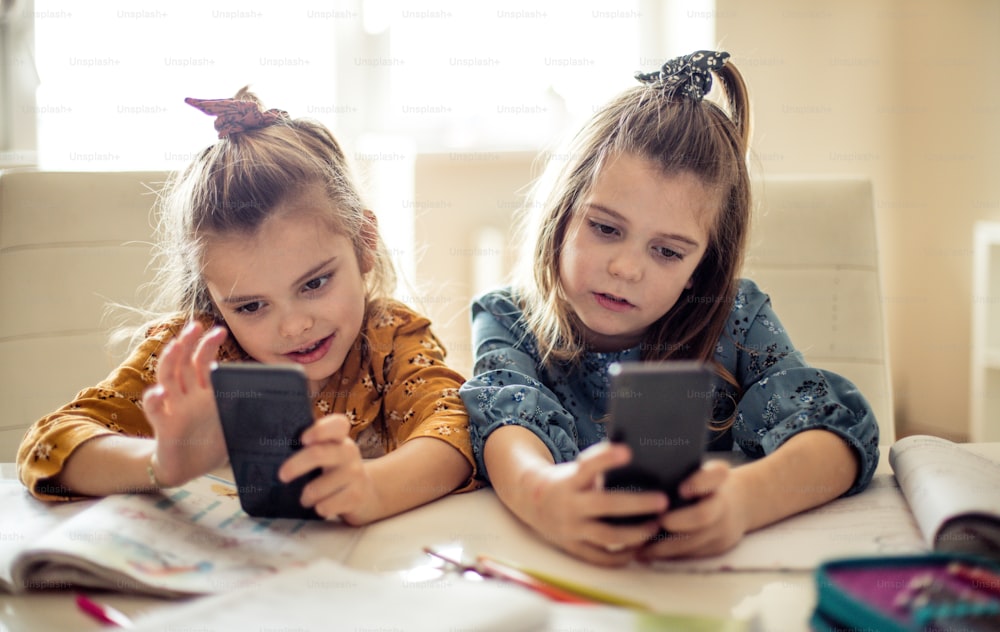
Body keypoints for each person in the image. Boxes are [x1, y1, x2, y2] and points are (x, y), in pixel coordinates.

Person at [458, 51, 879, 565]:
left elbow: (836, 433)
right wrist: (543, 496)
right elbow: (506, 421)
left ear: (701, 268)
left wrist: (746, 502)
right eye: (606, 228)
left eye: (667, 252)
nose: (627, 268)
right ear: (563, 215)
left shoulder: (736, 318)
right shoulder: (506, 318)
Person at [18, 88, 477, 525]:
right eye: (252, 306)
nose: (295, 325)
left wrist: (373, 486)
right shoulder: (196, 354)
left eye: (315, 282)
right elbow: (48, 446)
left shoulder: (391, 338)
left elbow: (455, 430)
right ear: (212, 297)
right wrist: (161, 463)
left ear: (364, 243)